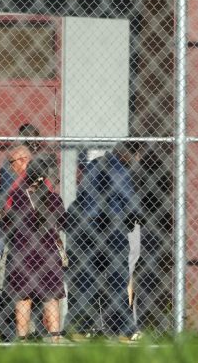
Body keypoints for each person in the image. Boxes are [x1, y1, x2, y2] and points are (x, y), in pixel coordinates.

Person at [64, 141, 143, 340]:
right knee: (116, 280)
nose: (136, 162)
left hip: (85, 229)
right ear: (128, 154)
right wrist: (137, 217)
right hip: (111, 230)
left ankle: (79, 328)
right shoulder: (121, 171)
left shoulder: (94, 165)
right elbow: (132, 204)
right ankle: (123, 331)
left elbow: (81, 194)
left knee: (86, 280)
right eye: (135, 157)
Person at [0, 147, 66, 340]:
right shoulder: (49, 189)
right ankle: (55, 340)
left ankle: (22, 341)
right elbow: (61, 218)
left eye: (12, 163)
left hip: (23, 251)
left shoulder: (17, 190)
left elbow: (8, 220)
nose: (12, 168)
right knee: (50, 297)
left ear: (23, 161)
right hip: (47, 249)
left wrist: (0, 215)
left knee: (23, 298)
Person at [131, 145, 174, 333]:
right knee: (159, 278)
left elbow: (136, 204)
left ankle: (141, 324)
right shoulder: (167, 175)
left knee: (144, 278)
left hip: (145, 229)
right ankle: (158, 325)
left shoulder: (138, 176)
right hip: (163, 230)